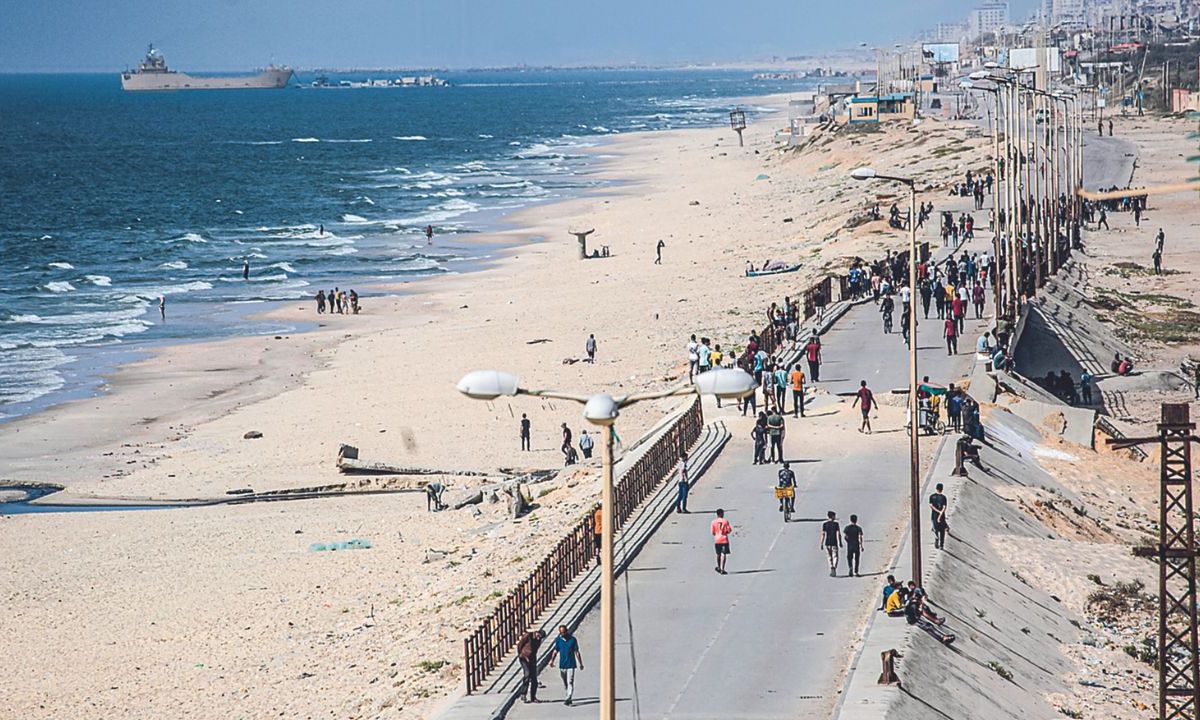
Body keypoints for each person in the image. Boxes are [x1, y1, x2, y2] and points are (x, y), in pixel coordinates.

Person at [548, 625, 583, 706]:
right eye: (561, 632)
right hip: (562, 665)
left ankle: (568, 697)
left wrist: (580, 663)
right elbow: (555, 651)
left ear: (566, 631)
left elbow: (576, 652)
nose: (562, 634)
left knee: (570, 681)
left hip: (571, 664)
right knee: (565, 682)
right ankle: (568, 693)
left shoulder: (573, 640)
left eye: (563, 632)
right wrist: (552, 660)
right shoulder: (558, 640)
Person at [517, 629, 546, 703]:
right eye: (538, 636)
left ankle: (533, 697)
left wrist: (533, 661)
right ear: (536, 633)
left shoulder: (538, 640)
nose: (539, 638)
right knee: (527, 674)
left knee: (534, 679)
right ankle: (523, 693)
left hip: (532, 659)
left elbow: (535, 651)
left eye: (540, 637)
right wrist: (521, 654)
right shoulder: (528, 636)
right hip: (524, 658)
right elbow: (520, 644)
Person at [820, 510, 842, 577]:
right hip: (834, 542)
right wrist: (840, 542)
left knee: (829, 557)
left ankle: (831, 566)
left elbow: (823, 534)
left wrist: (821, 543)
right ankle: (834, 567)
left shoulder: (825, 524)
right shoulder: (836, 524)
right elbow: (838, 534)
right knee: (835, 556)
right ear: (832, 516)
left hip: (827, 542)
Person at [712, 509, 732, 575]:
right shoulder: (725, 521)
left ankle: (719, 567)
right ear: (721, 514)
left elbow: (713, 532)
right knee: (723, 554)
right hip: (724, 539)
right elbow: (729, 530)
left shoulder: (713, 522)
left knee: (718, 554)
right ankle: (722, 569)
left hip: (717, 539)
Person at [930, 483, 949, 549]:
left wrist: (937, 511)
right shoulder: (944, 497)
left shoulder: (932, 496)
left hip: (934, 516)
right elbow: (944, 507)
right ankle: (941, 545)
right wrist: (940, 513)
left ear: (936, 488)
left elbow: (931, 506)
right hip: (942, 517)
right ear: (942, 489)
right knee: (942, 531)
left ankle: (936, 536)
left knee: (935, 528)